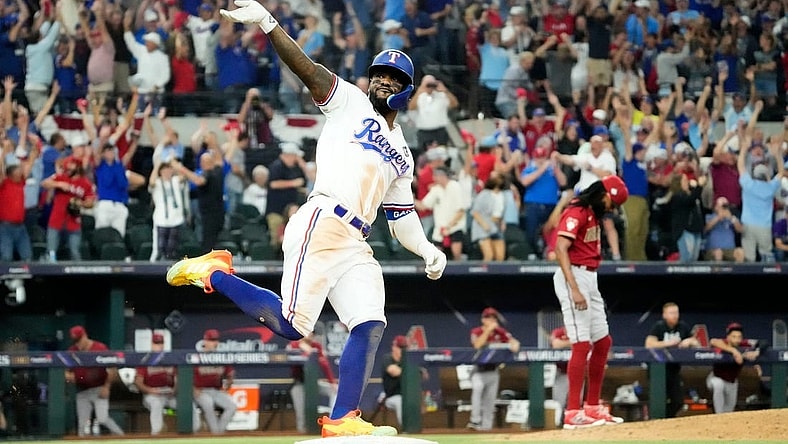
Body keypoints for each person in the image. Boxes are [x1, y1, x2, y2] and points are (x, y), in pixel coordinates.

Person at [166, 2, 448, 438]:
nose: (382, 80)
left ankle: (342, 420)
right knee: (293, 327)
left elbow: (402, 215)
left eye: (393, 78)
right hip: (322, 220)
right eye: (379, 73)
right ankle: (214, 273)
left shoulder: (404, 154)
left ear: (406, 91)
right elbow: (309, 69)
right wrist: (269, 24)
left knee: (370, 322)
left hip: (357, 239)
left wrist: (427, 248)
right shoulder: (351, 102)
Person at [552, 175, 628, 429]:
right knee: (581, 345)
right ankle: (573, 413)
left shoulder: (591, 213)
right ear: (604, 196)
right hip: (572, 276)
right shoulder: (577, 210)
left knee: (603, 342)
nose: (612, 208)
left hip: (590, 276)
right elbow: (560, 248)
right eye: (612, 203)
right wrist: (574, 288)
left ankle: (592, 407)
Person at [134, 333, 200, 434]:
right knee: (156, 404)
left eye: (161, 343)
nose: (159, 346)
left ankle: (194, 432)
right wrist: (150, 390)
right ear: (151, 344)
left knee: (188, 404)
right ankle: (156, 434)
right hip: (151, 395)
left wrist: (174, 390)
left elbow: (178, 379)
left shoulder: (170, 358)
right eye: (156, 343)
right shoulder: (145, 359)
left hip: (169, 394)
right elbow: (138, 382)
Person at [65, 325, 124, 437]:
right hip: (82, 391)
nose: (78, 343)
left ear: (85, 335)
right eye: (75, 341)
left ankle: (122, 437)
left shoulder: (100, 348)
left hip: (99, 389)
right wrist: (70, 376)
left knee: (102, 419)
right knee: (82, 425)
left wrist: (107, 387)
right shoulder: (72, 351)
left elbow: (112, 369)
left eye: (79, 340)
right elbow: (65, 371)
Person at [467, 307, 520, 431]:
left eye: (493, 317)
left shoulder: (500, 332)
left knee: (490, 401)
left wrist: (512, 343)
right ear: (483, 319)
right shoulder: (477, 331)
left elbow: (515, 345)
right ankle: (475, 421)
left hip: (493, 371)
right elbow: (477, 345)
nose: (491, 320)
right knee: (477, 392)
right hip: (478, 371)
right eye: (488, 317)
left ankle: (486, 428)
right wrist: (488, 330)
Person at [644, 302, 700, 418]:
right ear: (664, 315)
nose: (674, 315)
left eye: (676, 313)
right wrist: (668, 343)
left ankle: (667, 420)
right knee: (659, 400)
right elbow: (649, 344)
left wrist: (689, 341)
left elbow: (697, 343)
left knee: (678, 401)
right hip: (657, 369)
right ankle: (656, 421)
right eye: (671, 313)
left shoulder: (682, 326)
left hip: (673, 369)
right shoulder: (659, 326)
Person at [287, 334, 337, 433]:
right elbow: (291, 359)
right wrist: (304, 350)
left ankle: (334, 422)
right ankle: (302, 432)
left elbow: (324, 364)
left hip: (314, 384)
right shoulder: (294, 345)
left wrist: (332, 382)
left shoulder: (316, 346)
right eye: (307, 332)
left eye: (311, 333)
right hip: (299, 383)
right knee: (301, 411)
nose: (309, 335)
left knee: (335, 391)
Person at [707, 323, 761, 414]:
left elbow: (762, 343)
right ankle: (718, 416)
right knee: (718, 384)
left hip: (732, 382)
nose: (737, 339)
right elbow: (713, 341)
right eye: (734, 336)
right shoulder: (723, 343)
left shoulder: (744, 344)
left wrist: (757, 352)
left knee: (729, 412)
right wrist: (734, 351)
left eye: (739, 337)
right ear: (728, 337)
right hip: (715, 378)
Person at [193, 329, 237, 434]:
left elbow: (230, 374)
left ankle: (218, 433)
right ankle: (215, 433)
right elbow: (185, 377)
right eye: (211, 340)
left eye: (216, 340)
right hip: (200, 391)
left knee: (232, 406)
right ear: (205, 341)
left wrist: (229, 381)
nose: (215, 343)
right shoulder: (196, 357)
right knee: (208, 403)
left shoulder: (221, 357)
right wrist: (193, 389)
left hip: (215, 390)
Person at [550, 325, 571, 411]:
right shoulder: (558, 332)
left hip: (578, 373)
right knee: (558, 403)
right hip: (561, 371)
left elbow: (587, 344)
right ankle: (557, 422)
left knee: (576, 402)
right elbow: (556, 344)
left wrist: (565, 344)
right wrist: (573, 343)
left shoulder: (581, 331)